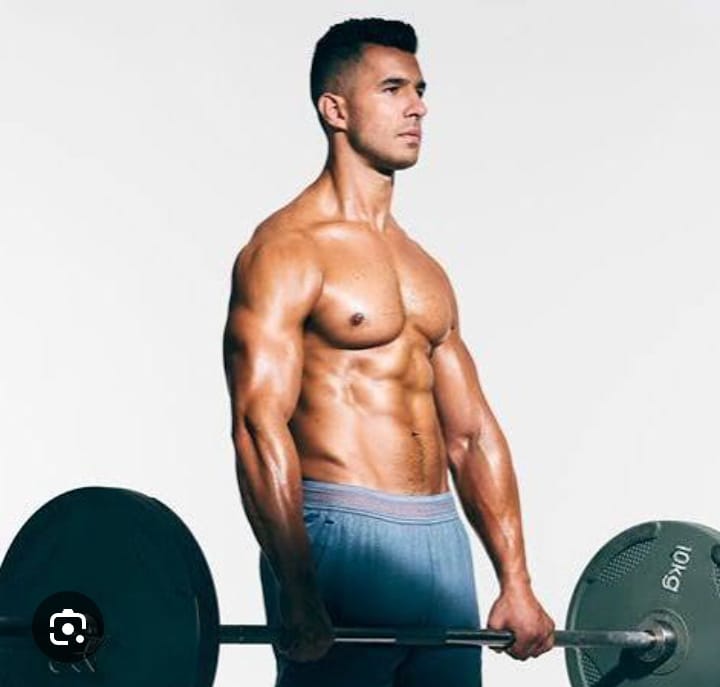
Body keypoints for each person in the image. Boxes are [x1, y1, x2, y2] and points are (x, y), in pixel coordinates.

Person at [223, 17, 555, 687]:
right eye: (393, 88)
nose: (418, 108)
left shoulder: (422, 268)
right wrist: (295, 583)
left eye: (420, 90)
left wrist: (515, 579)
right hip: (340, 536)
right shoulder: (287, 250)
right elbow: (259, 424)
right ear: (336, 110)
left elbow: (471, 432)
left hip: (440, 542)